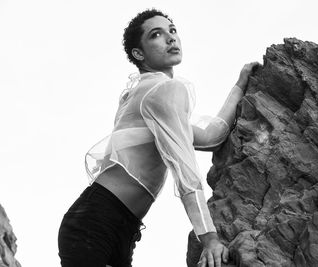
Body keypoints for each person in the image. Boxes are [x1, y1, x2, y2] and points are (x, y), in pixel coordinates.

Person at [58, 8, 259, 267]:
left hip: (121, 229)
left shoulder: (152, 94)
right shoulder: (161, 90)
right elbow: (184, 168)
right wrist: (208, 238)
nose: (171, 38)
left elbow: (211, 137)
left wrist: (240, 85)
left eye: (172, 31)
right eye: (156, 34)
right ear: (139, 54)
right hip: (95, 223)